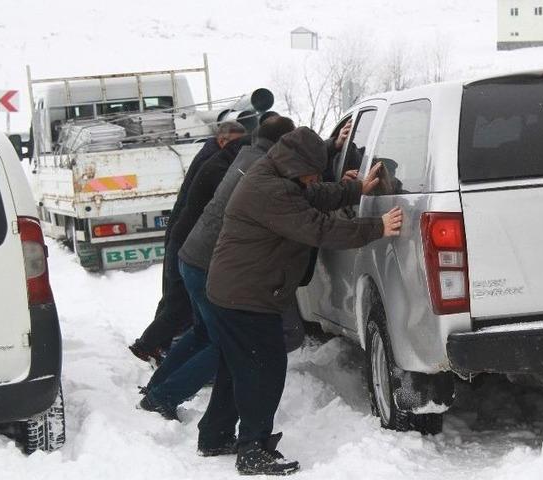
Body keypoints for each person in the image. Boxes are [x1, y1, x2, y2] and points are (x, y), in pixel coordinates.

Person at [201, 127, 402, 475]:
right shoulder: (271, 189)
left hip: (234, 291)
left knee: (237, 369)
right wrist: (376, 227)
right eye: (312, 171)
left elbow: (312, 195)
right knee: (263, 371)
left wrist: (356, 189)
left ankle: (215, 435)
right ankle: (252, 448)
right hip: (246, 296)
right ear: (296, 164)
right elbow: (318, 228)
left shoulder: (275, 173)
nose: (314, 179)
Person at [138, 116, 296, 422]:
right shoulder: (261, 168)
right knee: (226, 343)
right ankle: (164, 397)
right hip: (210, 264)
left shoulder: (247, 155)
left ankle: (156, 389)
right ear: (282, 144)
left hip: (193, 257)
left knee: (202, 334)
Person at [128, 121, 246, 363]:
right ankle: (148, 345)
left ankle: (154, 345)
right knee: (179, 302)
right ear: (223, 140)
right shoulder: (215, 162)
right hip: (187, 239)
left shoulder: (212, 155)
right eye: (236, 144)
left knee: (175, 298)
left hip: (182, 235)